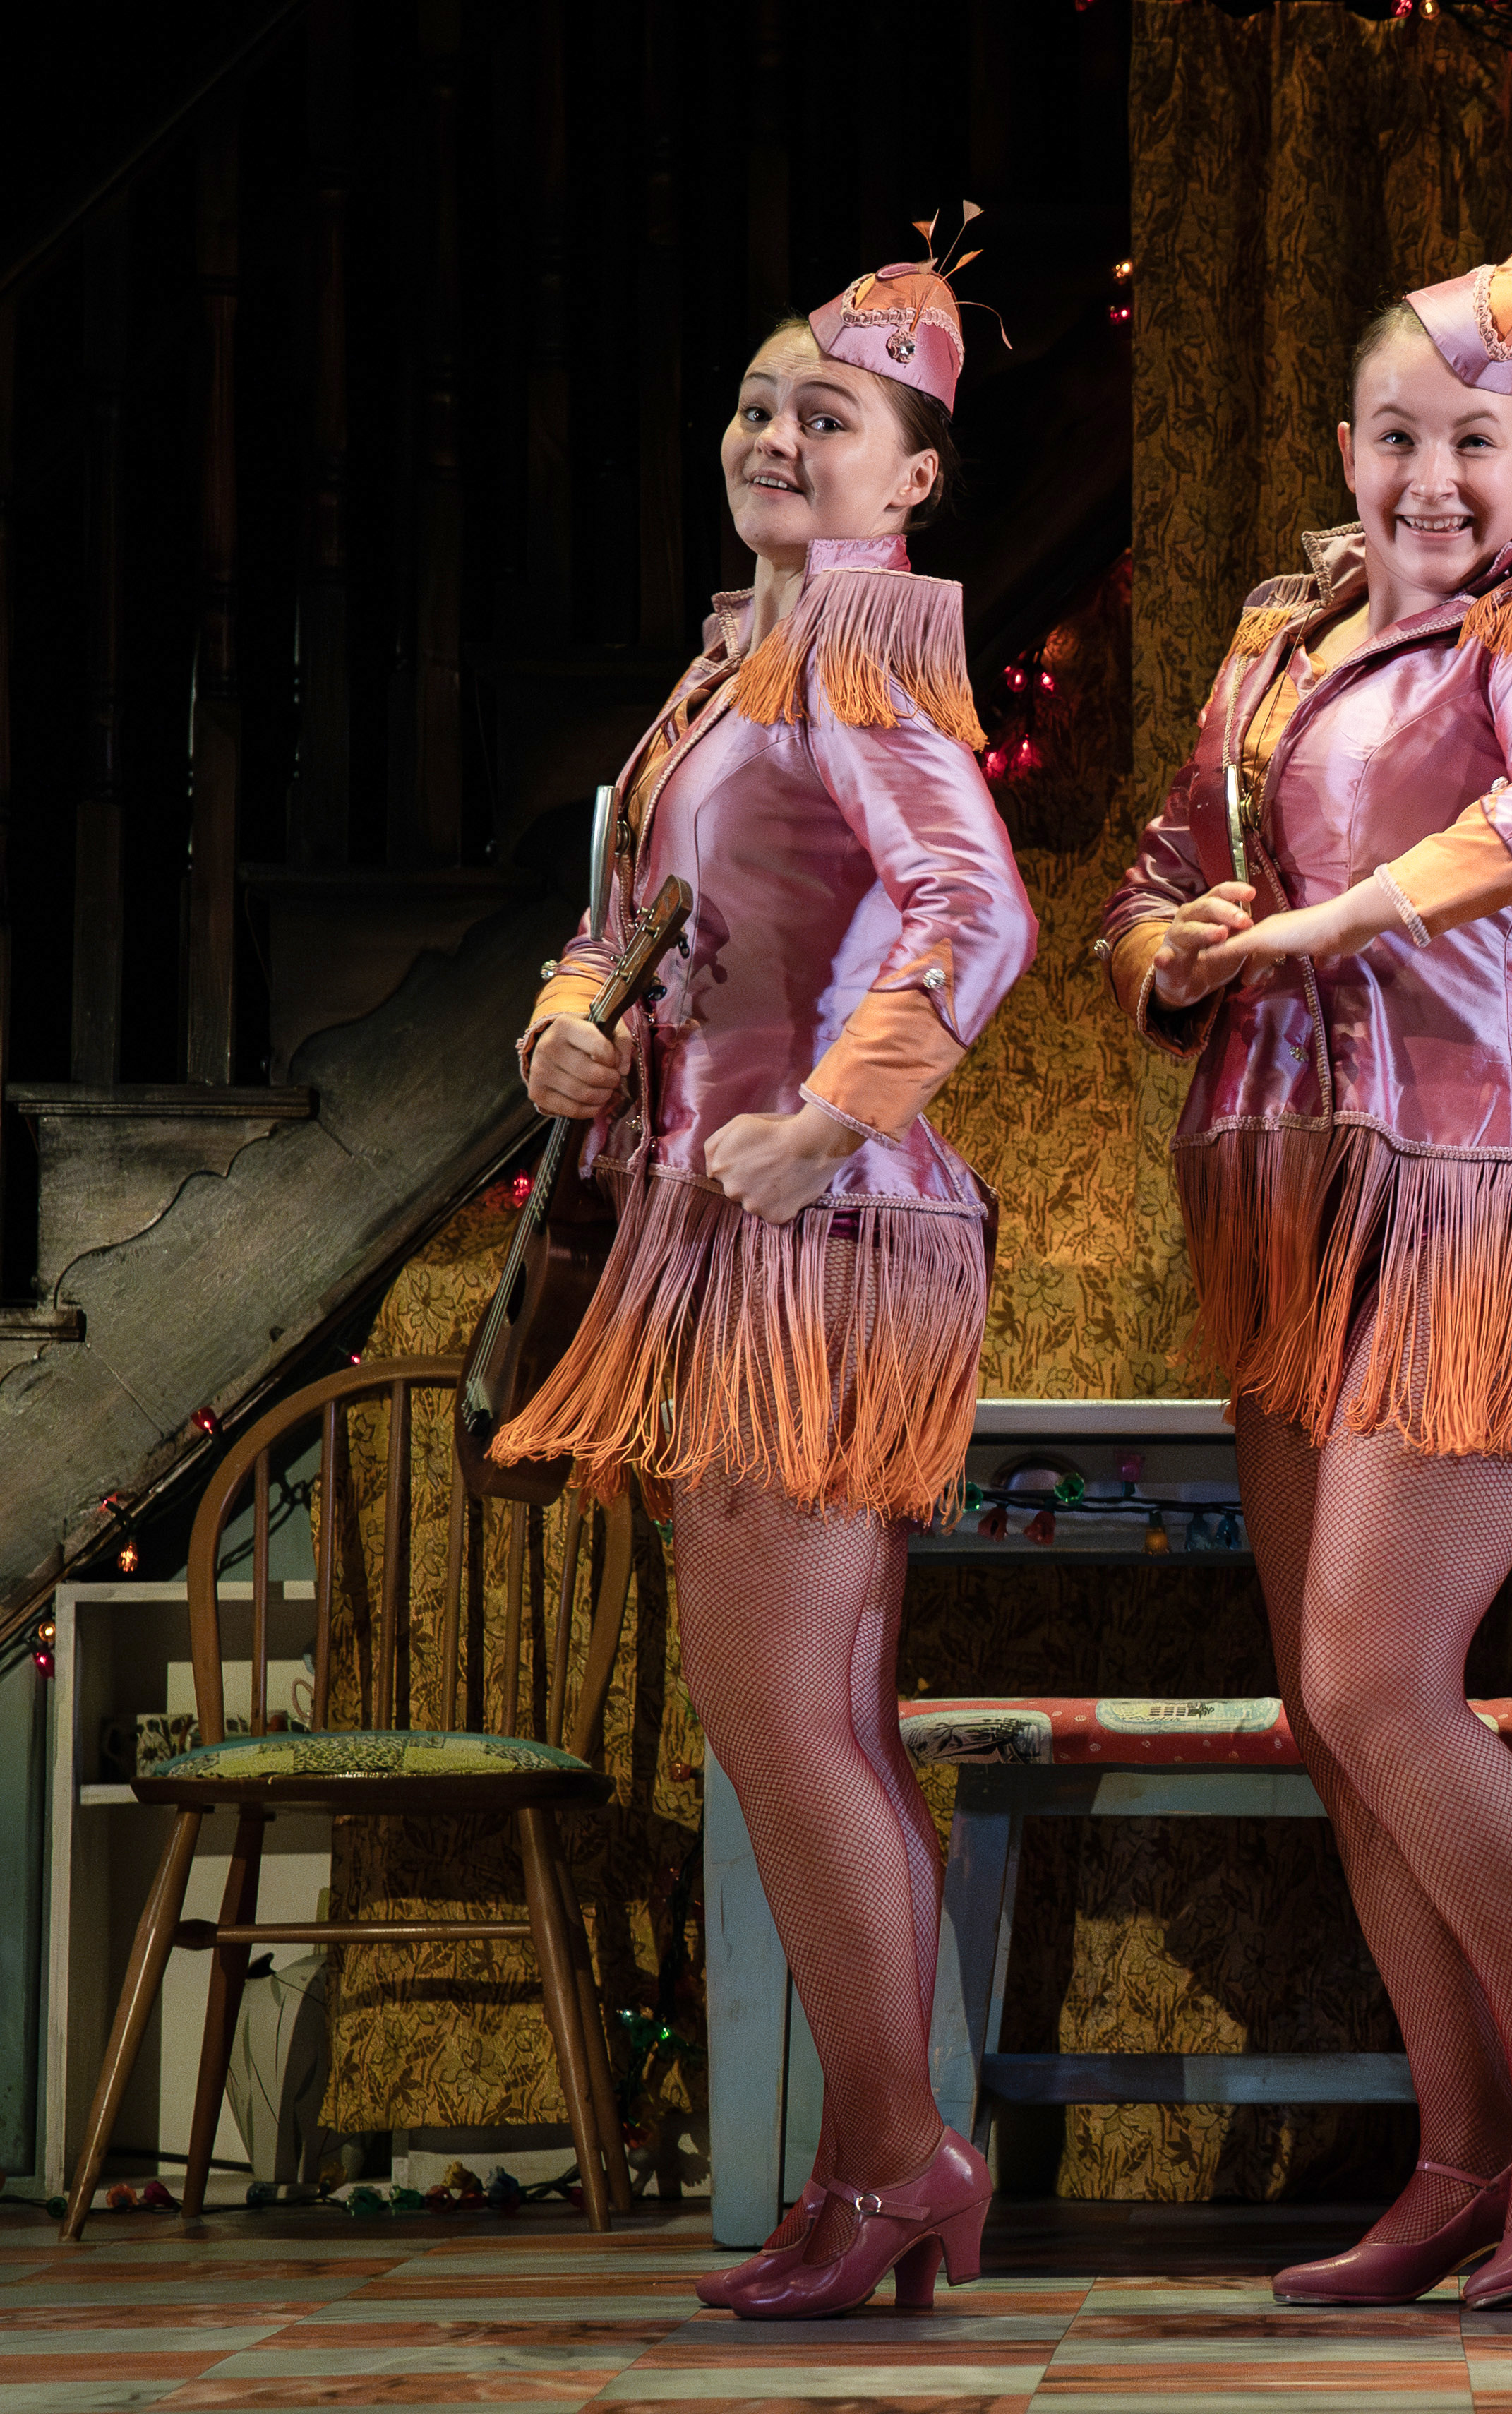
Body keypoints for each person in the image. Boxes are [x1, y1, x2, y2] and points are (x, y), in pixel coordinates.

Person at [1098, 243, 1512, 2311]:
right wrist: (1176, 943)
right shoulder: (1275, 643)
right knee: (1328, 1722)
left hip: (1468, 1188)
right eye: (1400, 439)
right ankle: (1451, 2155)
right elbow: (1165, 865)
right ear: (1347, 449)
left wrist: (1334, 917)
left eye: (1477, 443)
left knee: (1373, 1677)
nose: (1434, 479)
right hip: (1281, 1209)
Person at [496, 220, 1038, 2318]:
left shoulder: (872, 644)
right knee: (812, 1720)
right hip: (718, 1228)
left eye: (831, 413)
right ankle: (871, 2165)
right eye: (755, 400)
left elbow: (967, 910)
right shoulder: (738, 656)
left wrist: (829, 1111)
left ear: (909, 480)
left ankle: (904, 2158)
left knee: (783, 1716)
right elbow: (628, 906)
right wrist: (573, 1014)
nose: (776, 432)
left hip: (819, 1232)